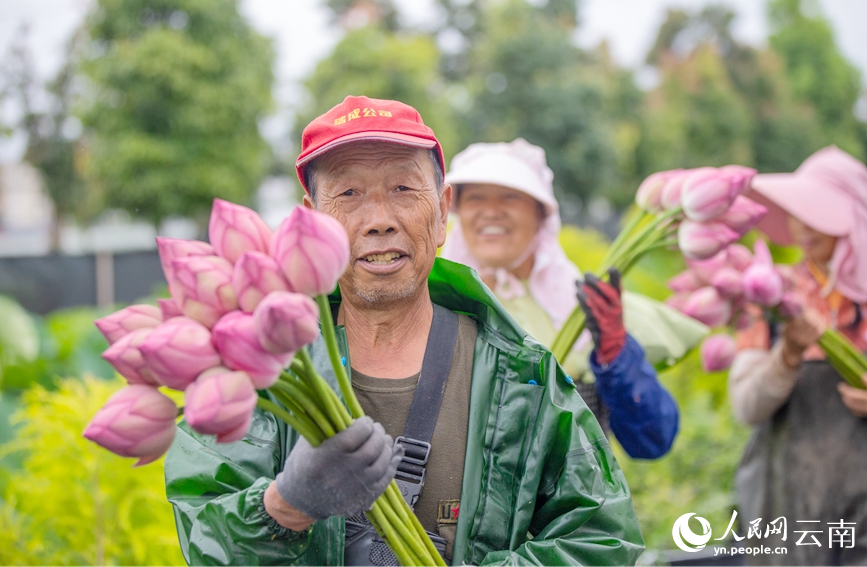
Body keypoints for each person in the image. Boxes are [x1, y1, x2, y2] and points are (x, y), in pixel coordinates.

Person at [164, 96, 645, 566]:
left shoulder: (520, 374)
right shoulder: (260, 375)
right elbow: (203, 538)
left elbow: (603, 538)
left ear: (441, 212)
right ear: (309, 220)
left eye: (402, 189)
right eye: (348, 193)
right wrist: (285, 506)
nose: (378, 221)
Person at [440, 139, 690, 459]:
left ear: (541, 214)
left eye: (509, 196)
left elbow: (654, 439)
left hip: (573, 507)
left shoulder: (577, 310)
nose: (491, 211)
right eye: (475, 198)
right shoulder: (438, 305)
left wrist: (616, 353)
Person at [729, 146, 867, 565]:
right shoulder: (773, 296)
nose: (802, 227)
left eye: (818, 214)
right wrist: (787, 352)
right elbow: (745, 407)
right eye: (796, 212)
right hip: (786, 510)